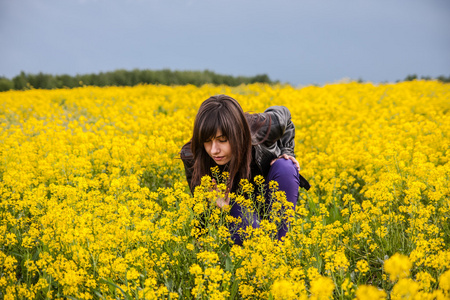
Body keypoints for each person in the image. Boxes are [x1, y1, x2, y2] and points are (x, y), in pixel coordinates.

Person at [180, 94, 310, 245]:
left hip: (267, 196)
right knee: (252, 235)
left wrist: (287, 151)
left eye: (222, 140)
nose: (214, 150)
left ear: (238, 134)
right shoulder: (192, 156)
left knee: (286, 166)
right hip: (235, 209)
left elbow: (285, 116)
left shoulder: (259, 128)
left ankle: (278, 247)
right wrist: (220, 207)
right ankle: (265, 251)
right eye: (207, 141)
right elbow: (201, 210)